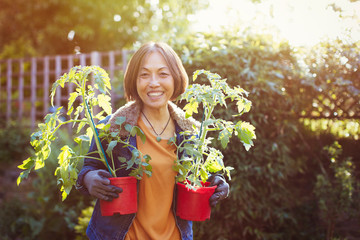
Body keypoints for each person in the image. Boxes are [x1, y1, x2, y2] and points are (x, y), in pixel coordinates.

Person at [76, 42, 229, 240]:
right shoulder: (113, 127)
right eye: (144, 74)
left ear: (175, 78)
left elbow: (203, 176)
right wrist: (89, 180)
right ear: (134, 80)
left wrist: (218, 183)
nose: (153, 82)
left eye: (163, 74)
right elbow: (88, 168)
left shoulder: (190, 133)